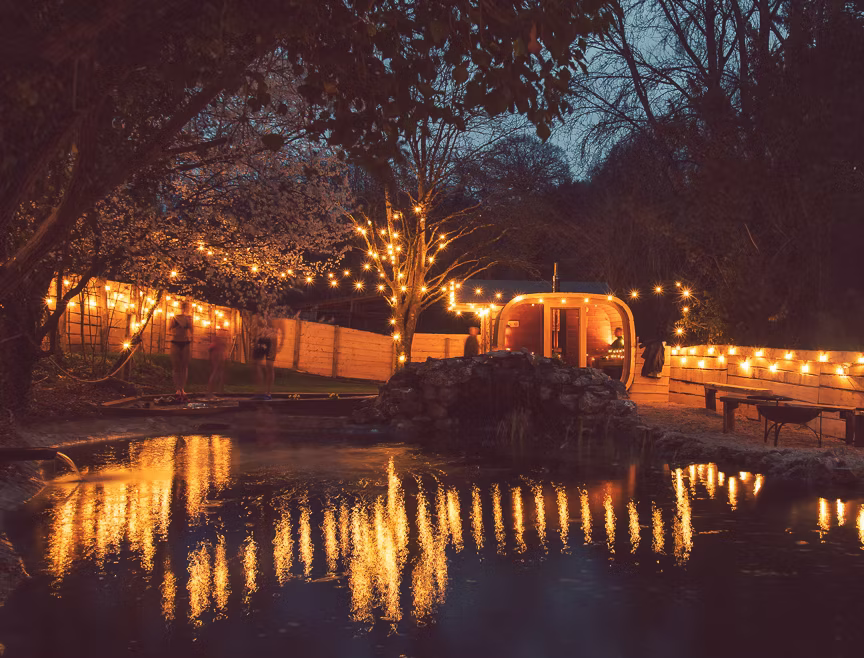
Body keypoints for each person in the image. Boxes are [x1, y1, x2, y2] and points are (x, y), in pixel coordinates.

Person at [252, 314, 284, 398]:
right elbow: (256, 326)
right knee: (256, 364)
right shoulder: (262, 313)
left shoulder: (277, 315)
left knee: (269, 366)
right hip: (261, 339)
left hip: (272, 341)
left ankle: (268, 392)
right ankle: (260, 391)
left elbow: (282, 329)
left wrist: (280, 345)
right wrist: (255, 340)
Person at [168, 301, 193, 400]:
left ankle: (182, 388)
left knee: (184, 366)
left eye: (185, 306)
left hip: (185, 342)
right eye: (183, 306)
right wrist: (176, 327)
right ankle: (177, 389)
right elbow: (169, 329)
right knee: (176, 366)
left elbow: (192, 331)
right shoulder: (174, 317)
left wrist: (188, 323)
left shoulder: (188, 318)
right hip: (175, 342)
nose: (184, 308)